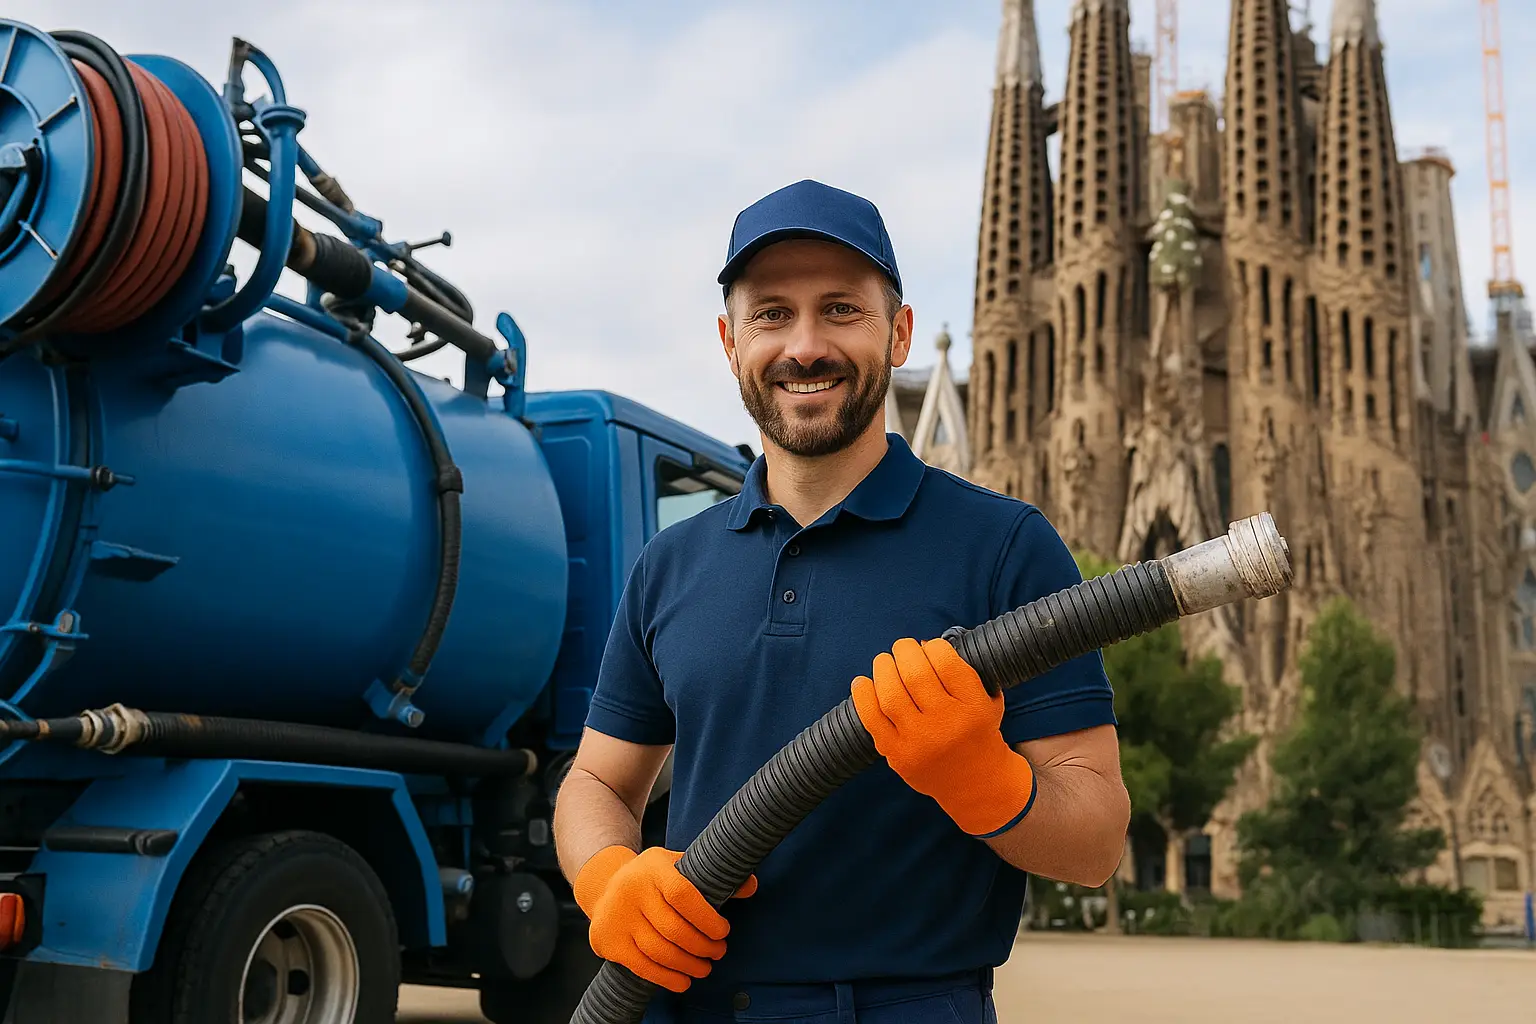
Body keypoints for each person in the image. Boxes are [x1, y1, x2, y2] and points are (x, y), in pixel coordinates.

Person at [552, 179, 1130, 1023]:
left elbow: (1097, 843)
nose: (806, 345)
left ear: (897, 333)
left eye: (841, 310)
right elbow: (596, 781)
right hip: (688, 1005)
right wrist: (609, 876)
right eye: (772, 314)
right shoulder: (669, 566)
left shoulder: (1005, 548)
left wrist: (986, 782)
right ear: (729, 340)